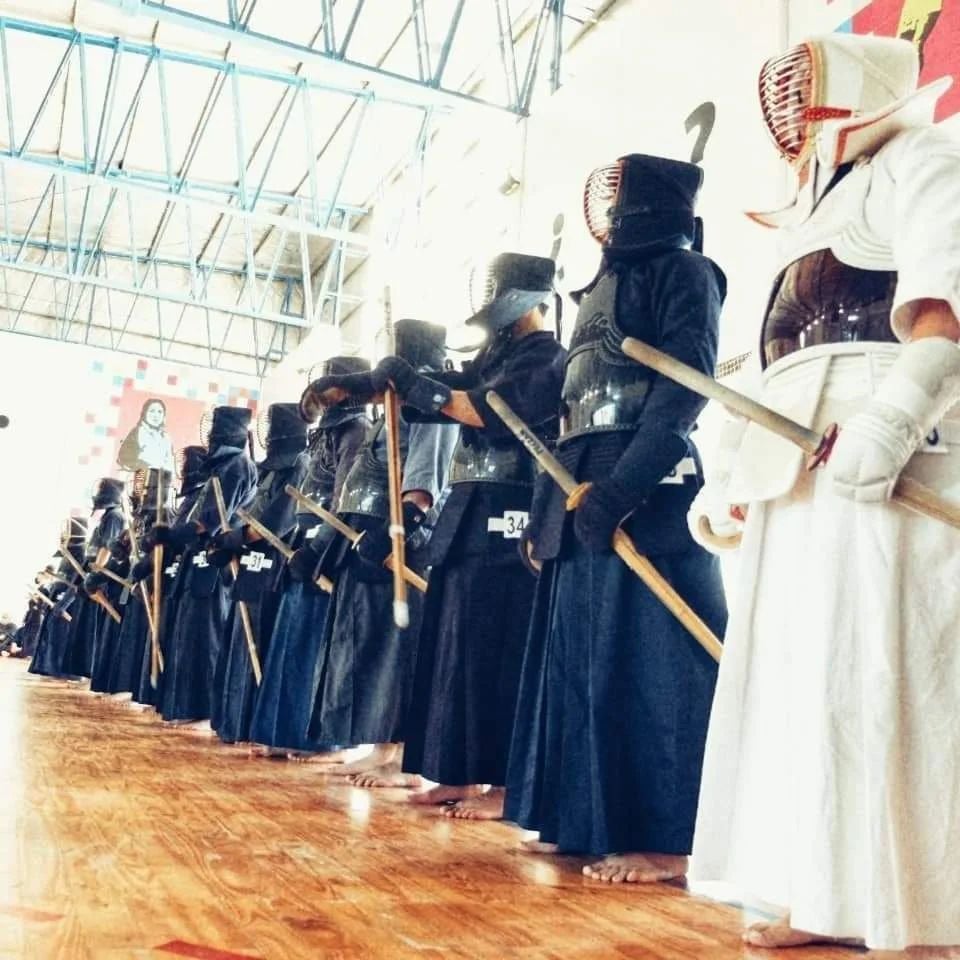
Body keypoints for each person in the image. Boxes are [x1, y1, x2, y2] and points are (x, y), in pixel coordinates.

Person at [689, 35, 960, 951]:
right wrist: (731, 469)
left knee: (889, 679)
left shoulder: (928, 157)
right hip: (797, 464)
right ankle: (822, 894)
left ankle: (925, 909)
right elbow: (775, 361)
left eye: (806, 90)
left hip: (891, 455)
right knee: (804, 688)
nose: (791, 112)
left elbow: (945, 309)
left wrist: (893, 423)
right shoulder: (811, 212)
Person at [503, 154, 728, 882]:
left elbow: (682, 394)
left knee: (659, 671)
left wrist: (622, 490)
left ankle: (666, 841)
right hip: (581, 491)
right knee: (583, 667)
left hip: (648, 496)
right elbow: (569, 412)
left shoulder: (688, 274)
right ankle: (582, 819)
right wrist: (548, 515)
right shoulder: (596, 289)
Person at [389, 254, 567, 817]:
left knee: (503, 651)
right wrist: (391, 382)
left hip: (514, 510)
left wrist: (426, 389)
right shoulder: (494, 360)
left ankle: (504, 787)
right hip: (468, 510)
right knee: (457, 648)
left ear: (535, 304)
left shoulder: (547, 359)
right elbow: (449, 393)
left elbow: (488, 410)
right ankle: (459, 774)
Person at [299, 320, 458, 778]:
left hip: (403, 541)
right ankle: (379, 745)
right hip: (368, 535)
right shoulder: (390, 408)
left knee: (395, 649)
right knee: (368, 644)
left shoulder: (432, 407)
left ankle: (397, 755)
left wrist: (397, 530)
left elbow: (425, 484)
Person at [249, 359, 370, 757]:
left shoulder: (357, 431)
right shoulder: (324, 436)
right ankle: (283, 732)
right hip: (306, 543)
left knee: (314, 645)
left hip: (329, 552)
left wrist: (320, 550)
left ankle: (315, 739)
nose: (324, 396)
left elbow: (344, 500)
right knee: (292, 640)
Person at [148, 407, 257, 726]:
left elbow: (210, 521)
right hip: (195, 561)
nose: (212, 435)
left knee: (205, 636)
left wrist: (174, 534)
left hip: (216, 562)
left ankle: (201, 708)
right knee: (187, 635)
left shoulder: (238, 465)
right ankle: (183, 705)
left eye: (218, 428)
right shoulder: (218, 471)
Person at [209, 403, 308, 745]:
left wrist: (239, 537)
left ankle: (256, 726)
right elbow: (247, 513)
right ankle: (235, 723)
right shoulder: (265, 470)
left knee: (262, 640)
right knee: (241, 640)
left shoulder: (301, 464)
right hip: (251, 564)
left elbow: (280, 520)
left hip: (275, 565)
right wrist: (230, 543)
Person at [131, 448, 207, 709]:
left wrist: (156, 554)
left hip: (193, 574)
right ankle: (157, 695)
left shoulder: (200, 498)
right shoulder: (187, 502)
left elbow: (182, 539)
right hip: (176, 577)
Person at [64, 478, 125, 680]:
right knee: (84, 624)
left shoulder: (115, 516)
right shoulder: (108, 515)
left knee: (92, 626)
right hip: (92, 572)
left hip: (101, 579)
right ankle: (81, 669)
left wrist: (95, 574)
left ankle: (89, 670)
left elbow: (107, 547)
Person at [117, 398, 175, 473]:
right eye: (152, 411)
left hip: (161, 477)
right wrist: (144, 467)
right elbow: (124, 458)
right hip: (139, 475)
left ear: (164, 416)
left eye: (160, 412)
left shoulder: (166, 438)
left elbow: (170, 463)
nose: (156, 415)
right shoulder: (138, 432)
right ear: (144, 413)